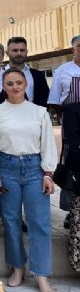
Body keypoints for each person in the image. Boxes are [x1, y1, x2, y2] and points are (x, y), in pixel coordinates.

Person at [0, 68, 56, 292]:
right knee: (10, 221)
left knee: (40, 222)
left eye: (18, 82)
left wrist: (48, 174)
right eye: (10, 83)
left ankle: (41, 274)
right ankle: (17, 267)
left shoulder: (39, 112)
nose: (15, 87)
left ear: (26, 84)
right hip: (6, 168)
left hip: (34, 168)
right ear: (3, 87)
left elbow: (47, 143)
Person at [48, 35, 80, 227]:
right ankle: (71, 211)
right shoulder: (63, 70)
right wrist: (68, 118)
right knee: (73, 163)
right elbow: (54, 100)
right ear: (72, 49)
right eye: (79, 46)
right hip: (72, 122)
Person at [5, 37, 49, 107]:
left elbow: (45, 100)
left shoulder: (38, 75)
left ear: (26, 52)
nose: (19, 53)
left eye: (22, 50)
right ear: (7, 53)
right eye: (15, 50)